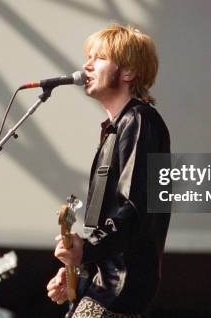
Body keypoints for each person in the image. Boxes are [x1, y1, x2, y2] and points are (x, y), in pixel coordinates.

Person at [47, 24, 171, 316]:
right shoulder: (116, 129)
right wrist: (77, 270)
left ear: (127, 72)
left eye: (98, 57)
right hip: (103, 284)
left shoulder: (141, 121)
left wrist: (86, 249)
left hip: (119, 288)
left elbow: (134, 208)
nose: (86, 65)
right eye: (88, 57)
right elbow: (111, 219)